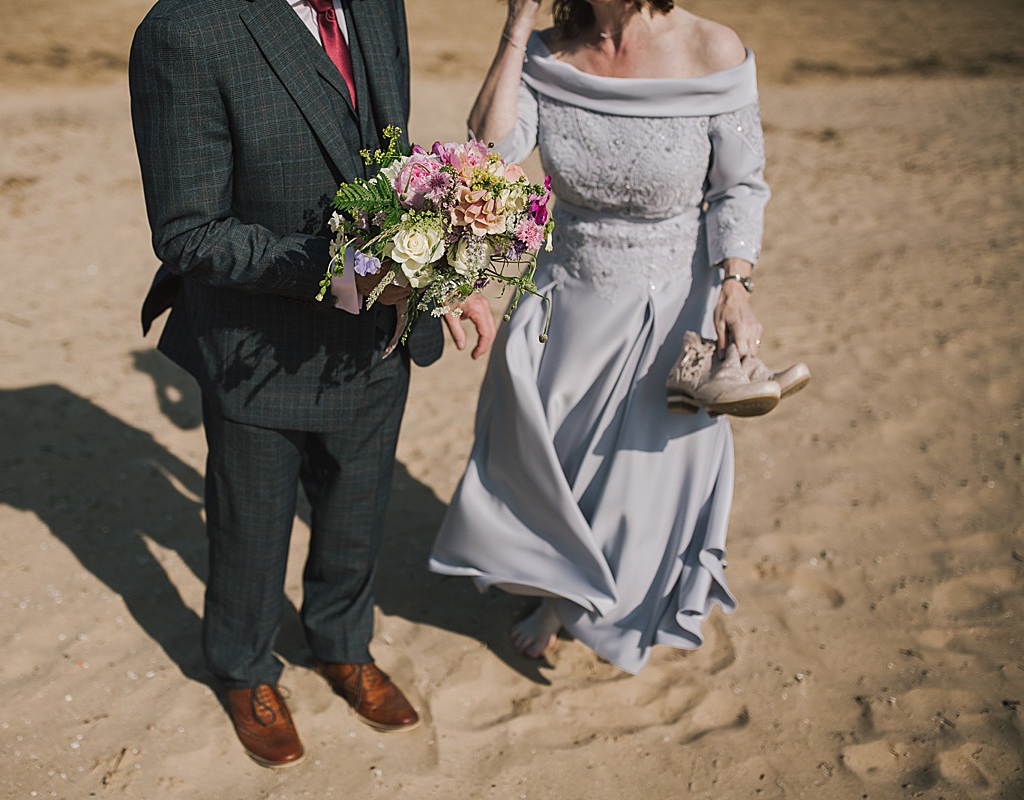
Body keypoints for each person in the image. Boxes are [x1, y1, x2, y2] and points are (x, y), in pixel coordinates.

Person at [129, 0, 494, 769]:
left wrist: (446, 267)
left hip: (383, 334)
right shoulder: (184, 31)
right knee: (251, 525)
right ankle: (243, 669)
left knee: (356, 507)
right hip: (259, 343)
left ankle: (340, 645)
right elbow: (190, 231)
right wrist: (350, 272)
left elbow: (389, 159)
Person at [430, 0, 771, 674]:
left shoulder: (714, 50)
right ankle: (561, 584)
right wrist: (516, 29)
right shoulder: (549, 52)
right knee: (550, 456)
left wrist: (735, 285)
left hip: (672, 297)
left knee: (638, 473)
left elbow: (740, 187)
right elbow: (491, 151)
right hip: (566, 293)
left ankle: (583, 604)